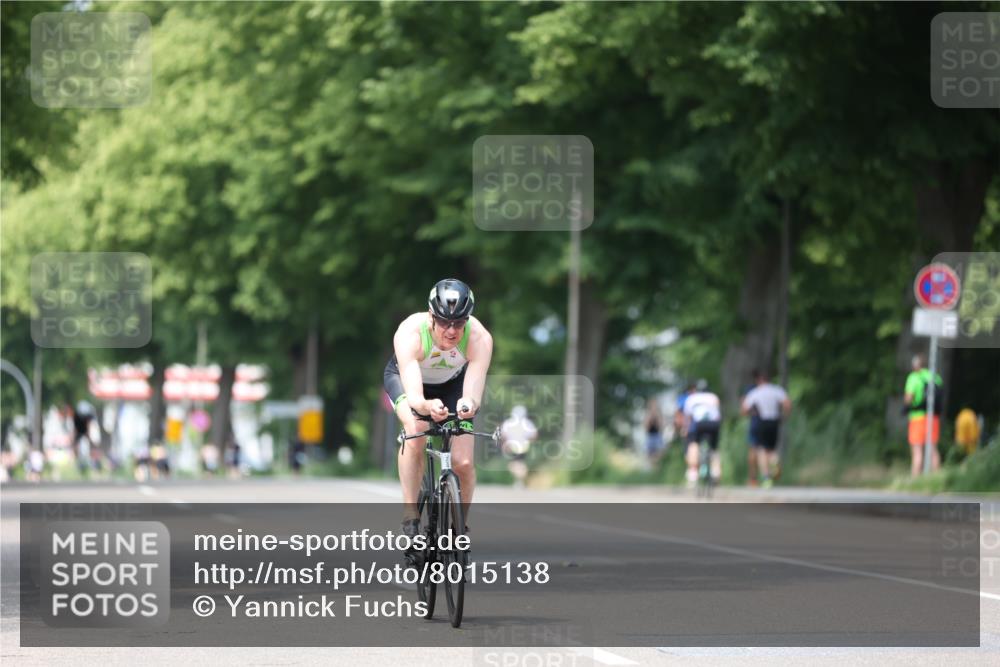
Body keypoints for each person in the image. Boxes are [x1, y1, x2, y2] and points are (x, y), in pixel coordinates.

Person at [383, 279, 493, 544]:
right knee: (416, 430)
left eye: (459, 322)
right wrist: (426, 407)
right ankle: (410, 514)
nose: (452, 330)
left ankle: (459, 527)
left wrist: (467, 405)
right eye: (444, 322)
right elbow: (416, 399)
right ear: (431, 316)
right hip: (409, 382)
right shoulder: (410, 333)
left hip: (453, 385)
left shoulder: (479, 338)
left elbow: (472, 395)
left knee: (464, 463)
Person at [741, 370, 792, 488]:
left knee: (762, 450)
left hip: (761, 422)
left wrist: (751, 413)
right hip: (774, 421)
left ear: (758, 380)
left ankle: (766, 477)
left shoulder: (755, 392)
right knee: (772, 449)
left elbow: (744, 409)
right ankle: (775, 461)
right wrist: (784, 417)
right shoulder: (777, 390)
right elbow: (788, 404)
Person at [904, 353, 943, 476]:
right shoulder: (935, 377)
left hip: (917, 418)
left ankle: (915, 480)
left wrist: (906, 405)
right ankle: (936, 479)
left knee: (917, 451)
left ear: (915, 365)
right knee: (932, 449)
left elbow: (908, 398)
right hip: (933, 417)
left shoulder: (913, 377)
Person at [683, 379, 722, 486]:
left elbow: (688, 418)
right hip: (713, 424)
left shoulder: (691, 398)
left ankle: (693, 472)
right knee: (714, 448)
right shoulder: (714, 397)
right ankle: (716, 472)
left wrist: (686, 429)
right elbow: (718, 415)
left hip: (699, 424)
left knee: (693, 443)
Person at [500, 405, 538, 488]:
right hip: (524, 447)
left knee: (513, 464)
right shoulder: (528, 423)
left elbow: (503, 435)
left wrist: (504, 445)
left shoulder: (508, 423)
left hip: (511, 446)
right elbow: (534, 435)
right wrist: (528, 440)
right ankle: (521, 479)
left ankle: (520, 478)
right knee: (519, 463)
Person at [643, 399, 667, 466]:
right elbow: (646, 427)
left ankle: (658, 467)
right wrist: (650, 417)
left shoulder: (659, 414)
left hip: (657, 435)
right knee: (649, 456)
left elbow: (661, 427)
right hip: (650, 436)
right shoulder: (647, 415)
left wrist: (657, 417)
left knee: (660, 453)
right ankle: (652, 468)